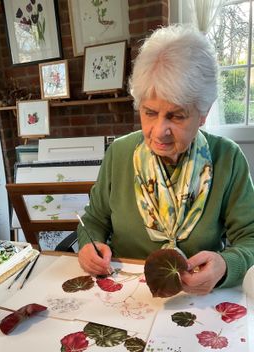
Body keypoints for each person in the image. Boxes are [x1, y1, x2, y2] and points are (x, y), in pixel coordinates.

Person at [77, 25, 254, 295]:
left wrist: (226, 265)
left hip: (198, 300)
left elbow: (250, 239)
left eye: (177, 116)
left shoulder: (227, 158)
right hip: (124, 295)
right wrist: (89, 246)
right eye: (149, 112)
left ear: (203, 113)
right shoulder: (119, 154)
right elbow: (94, 221)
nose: (159, 131)